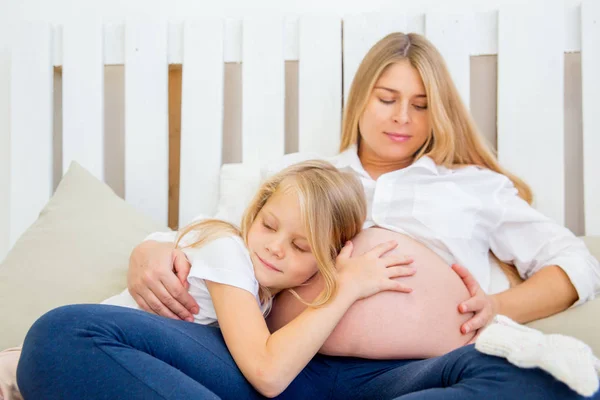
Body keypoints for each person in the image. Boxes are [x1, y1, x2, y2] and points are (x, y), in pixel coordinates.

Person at [16, 32, 600, 399]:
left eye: (421, 105)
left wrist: (498, 306)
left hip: (409, 376)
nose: (402, 117)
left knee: (553, 380)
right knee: (62, 335)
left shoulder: (476, 187)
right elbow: (225, 243)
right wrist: (150, 247)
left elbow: (575, 263)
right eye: (387, 98)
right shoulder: (301, 169)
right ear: (361, 98)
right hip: (261, 365)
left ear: (439, 113)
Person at [101, 159, 417, 396]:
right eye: (268, 225)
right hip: (113, 351)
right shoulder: (228, 252)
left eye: (300, 246)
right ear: (256, 210)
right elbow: (268, 373)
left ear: (325, 262)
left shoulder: (261, 294)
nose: (275, 247)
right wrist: (347, 288)